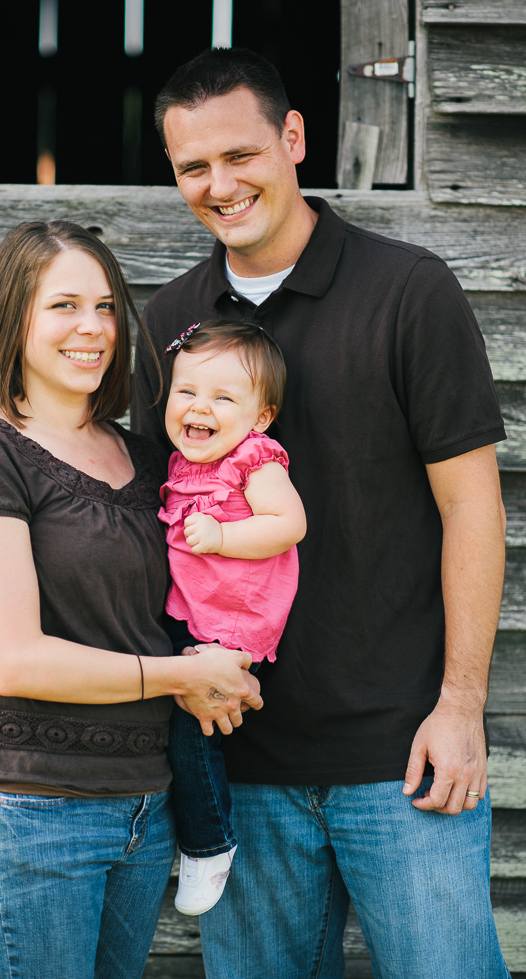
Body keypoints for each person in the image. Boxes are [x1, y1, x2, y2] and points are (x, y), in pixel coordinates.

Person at [131, 48, 510, 979]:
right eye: (192, 168)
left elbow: (472, 510)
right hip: (238, 762)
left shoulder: (406, 291)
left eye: (241, 155)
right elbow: (150, 522)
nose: (219, 186)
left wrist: (461, 706)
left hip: (404, 753)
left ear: (294, 139)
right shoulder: (169, 321)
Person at [0, 220, 262, 979]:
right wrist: (183, 676)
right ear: (14, 319)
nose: (92, 328)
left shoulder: (149, 457)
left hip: (144, 804)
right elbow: (13, 660)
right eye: (64, 305)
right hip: (32, 804)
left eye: (107, 306)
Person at [159, 319, 306, 916]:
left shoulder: (253, 460)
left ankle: (208, 844)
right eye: (187, 392)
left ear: (261, 417)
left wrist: (220, 534)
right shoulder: (181, 462)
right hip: (193, 613)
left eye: (224, 397)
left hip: (234, 616)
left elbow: (288, 525)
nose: (200, 407)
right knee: (176, 721)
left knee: (193, 734)